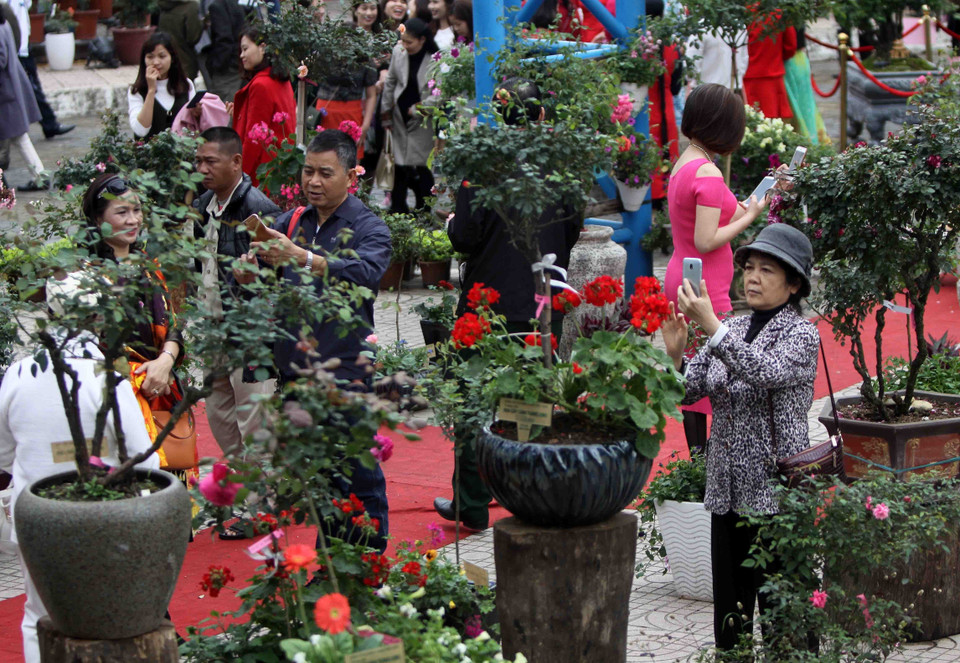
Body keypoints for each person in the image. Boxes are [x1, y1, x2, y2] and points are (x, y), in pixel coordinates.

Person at [661, 222, 818, 652]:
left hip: (774, 492)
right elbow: (689, 391)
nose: (752, 277)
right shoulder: (731, 325)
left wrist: (712, 327)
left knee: (783, 613)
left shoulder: (801, 334)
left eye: (767, 270)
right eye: (749, 267)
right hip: (726, 490)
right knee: (730, 615)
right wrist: (675, 358)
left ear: (793, 285)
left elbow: (764, 373)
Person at [433, 78, 581, 532]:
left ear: (499, 118)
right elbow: (571, 229)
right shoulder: (562, 168)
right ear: (540, 117)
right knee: (529, 408)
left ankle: (472, 502)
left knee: (474, 404)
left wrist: (457, 220)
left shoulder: (483, 167)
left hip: (486, 303)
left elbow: (464, 236)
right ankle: (528, 497)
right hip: (538, 301)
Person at [234, 129, 392, 550]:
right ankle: (331, 565)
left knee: (359, 477)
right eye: (308, 172)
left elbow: (365, 274)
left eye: (325, 173)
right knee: (319, 481)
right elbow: (270, 282)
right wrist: (253, 270)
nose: (314, 182)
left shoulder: (369, 227)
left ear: (349, 177)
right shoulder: (292, 222)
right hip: (297, 374)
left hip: (346, 373)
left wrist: (303, 257)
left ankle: (369, 564)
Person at [0, 331, 161, 663]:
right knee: (112, 615)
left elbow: (2, 454)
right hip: (106, 518)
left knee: (39, 617)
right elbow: (145, 460)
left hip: (34, 515)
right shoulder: (108, 378)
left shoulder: (18, 374)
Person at [665, 84, 773, 454]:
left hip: (684, 275)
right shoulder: (708, 173)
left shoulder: (687, 161)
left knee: (693, 365)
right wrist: (754, 216)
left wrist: (757, 199)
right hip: (703, 285)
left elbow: (716, 216)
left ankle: (700, 455)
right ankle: (706, 457)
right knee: (712, 367)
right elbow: (708, 239)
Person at [80, 175, 188, 471]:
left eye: (137, 210)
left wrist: (165, 361)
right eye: (121, 212)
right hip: (114, 396)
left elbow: (174, 324)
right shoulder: (85, 275)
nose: (133, 220)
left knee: (170, 485)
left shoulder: (149, 266)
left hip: (161, 389)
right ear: (98, 218)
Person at [193, 127, 278, 470]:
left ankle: (264, 502)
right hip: (212, 326)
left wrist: (255, 281)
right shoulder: (203, 205)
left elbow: (279, 278)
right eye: (198, 161)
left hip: (251, 332)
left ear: (236, 161)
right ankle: (249, 485)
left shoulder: (258, 209)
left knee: (255, 419)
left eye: (210, 161)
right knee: (218, 411)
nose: (202, 169)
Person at [380, 17, 439, 214]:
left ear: (422, 40)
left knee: (421, 164)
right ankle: (398, 208)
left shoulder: (436, 58)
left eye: (409, 42)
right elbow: (390, 82)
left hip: (422, 119)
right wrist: (385, 111)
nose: (404, 45)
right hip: (398, 115)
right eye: (403, 41)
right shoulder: (399, 51)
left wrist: (418, 109)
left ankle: (424, 209)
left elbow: (440, 94)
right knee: (398, 165)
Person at [229, 25, 297, 186]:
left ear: (262, 47)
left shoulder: (261, 84)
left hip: (262, 171)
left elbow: (254, 139)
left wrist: (238, 178)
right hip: (281, 165)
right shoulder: (281, 79)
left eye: (245, 49)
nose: (242, 55)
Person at [311, 2, 380, 160]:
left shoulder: (364, 60)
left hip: (353, 113)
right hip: (326, 111)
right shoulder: (326, 56)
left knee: (351, 161)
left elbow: (371, 95)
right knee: (323, 157)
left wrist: (365, 125)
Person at [1, 0, 74, 140]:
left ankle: (49, 124)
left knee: (33, 87)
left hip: (24, 47)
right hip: (15, 50)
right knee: (30, 88)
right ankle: (49, 124)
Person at [0, 6, 45, 191]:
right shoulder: (4, 23)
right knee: (20, 136)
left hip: (4, 91)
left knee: (18, 136)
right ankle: (41, 176)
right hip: (9, 88)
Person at [127, 32, 197, 140]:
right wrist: (151, 90)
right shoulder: (137, 90)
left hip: (181, 154)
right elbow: (141, 130)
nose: (156, 62)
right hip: (148, 155)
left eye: (162, 56)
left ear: (172, 58)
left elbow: (194, 128)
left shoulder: (186, 85)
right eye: (150, 57)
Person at [743, 22, 797, 120]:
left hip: (748, 77)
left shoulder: (742, 12)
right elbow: (790, 46)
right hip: (773, 76)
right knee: (774, 126)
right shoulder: (779, 12)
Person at [198, 0, 246, 102]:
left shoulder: (217, 6)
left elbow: (224, 39)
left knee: (223, 107)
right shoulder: (235, 3)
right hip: (237, 61)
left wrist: (217, 65)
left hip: (226, 67)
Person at [158, 0, 204, 82]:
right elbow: (193, 38)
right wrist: (203, 24)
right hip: (185, 62)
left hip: (166, 61)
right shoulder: (191, 7)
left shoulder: (165, 5)